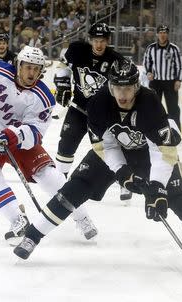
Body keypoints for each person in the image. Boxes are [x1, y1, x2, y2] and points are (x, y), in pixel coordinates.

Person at [14, 60, 182, 278]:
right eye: (117, 88)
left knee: (181, 198)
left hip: (150, 155)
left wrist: (157, 187)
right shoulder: (98, 103)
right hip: (115, 151)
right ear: (110, 86)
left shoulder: (150, 103)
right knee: (74, 188)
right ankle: (32, 236)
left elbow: (163, 150)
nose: (122, 95)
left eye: (128, 89)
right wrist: (121, 171)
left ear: (137, 86)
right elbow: (105, 145)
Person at [0, 46, 98, 245]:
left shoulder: (44, 97)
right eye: (28, 67)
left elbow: (36, 132)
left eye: (36, 69)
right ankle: (17, 220)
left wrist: (14, 134)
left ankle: (81, 216)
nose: (32, 73)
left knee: (50, 177)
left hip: (19, 141)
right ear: (19, 65)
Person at [52, 22, 131, 201]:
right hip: (78, 108)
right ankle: (58, 182)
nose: (99, 44)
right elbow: (62, 68)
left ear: (108, 41)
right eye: (96, 40)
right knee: (66, 144)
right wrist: (63, 86)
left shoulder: (118, 61)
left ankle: (124, 181)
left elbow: (127, 87)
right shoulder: (77, 50)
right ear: (90, 40)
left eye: (102, 40)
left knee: (110, 149)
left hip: (103, 115)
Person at [143, 24, 182, 129]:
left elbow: (180, 65)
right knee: (154, 107)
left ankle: (175, 132)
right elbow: (147, 62)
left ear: (168, 34)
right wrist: (148, 72)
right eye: (160, 32)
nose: (162, 35)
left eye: (165, 32)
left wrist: (178, 80)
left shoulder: (174, 49)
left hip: (170, 83)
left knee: (173, 108)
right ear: (157, 34)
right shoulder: (151, 48)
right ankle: (153, 130)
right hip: (155, 82)